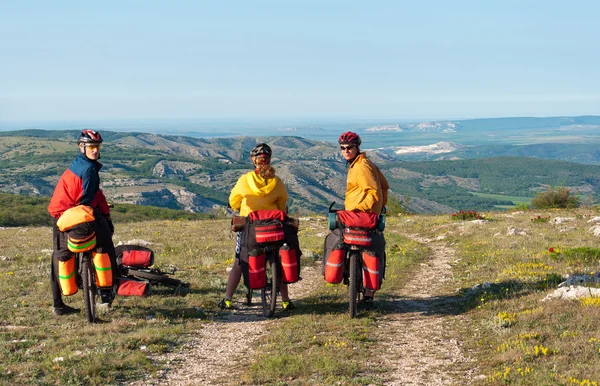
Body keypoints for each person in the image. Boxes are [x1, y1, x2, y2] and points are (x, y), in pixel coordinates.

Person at [48, 129, 117, 315]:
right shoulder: (89, 169)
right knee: (104, 240)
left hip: (58, 214)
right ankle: (107, 291)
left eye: (97, 146)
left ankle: (58, 305)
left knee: (59, 255)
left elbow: (92, 194)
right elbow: (86, 199)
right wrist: (106, 216)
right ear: (82, 147)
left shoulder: (79, 163)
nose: (95, 150)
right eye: (91, 147)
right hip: (73, 212)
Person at [219, 143, 295, 310]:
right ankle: (286, 300)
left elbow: (233, 202)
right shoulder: (277, 182)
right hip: (273, 228)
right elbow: (282, 206)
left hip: (250, 228)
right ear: (268, 161)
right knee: (278, 260)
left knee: (239, 262)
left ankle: (228, 298)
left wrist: (241, 207)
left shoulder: (244, 180)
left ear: (254, 161)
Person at [338, 131, 389, 305]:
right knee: (373, 247)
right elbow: (384, 186)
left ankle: (366, 290)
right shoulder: (362, 163)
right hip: (364, 214)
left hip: (360, 215)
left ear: (357, 147)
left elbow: (374, 190)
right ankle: (369, 293)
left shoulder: (361, 166)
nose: (346, 151)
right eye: (343, 148)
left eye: (349, 148)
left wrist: (362, 210)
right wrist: (381, 207)